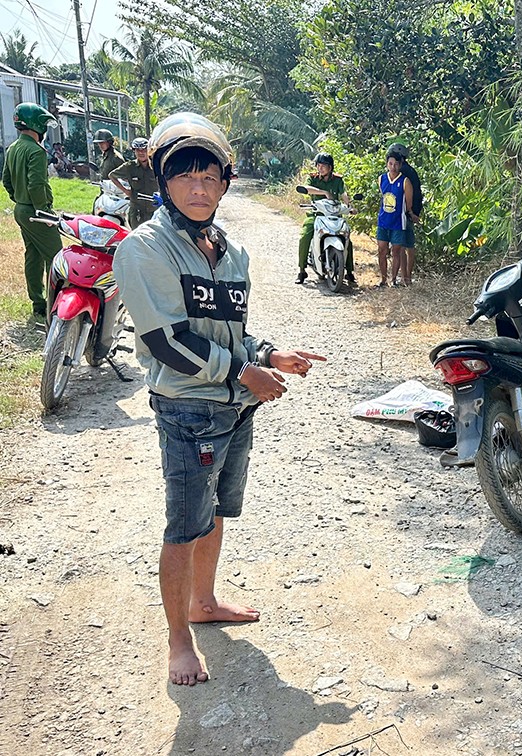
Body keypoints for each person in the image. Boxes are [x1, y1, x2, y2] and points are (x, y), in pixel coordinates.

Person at [112, 112, 326, 686]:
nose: (199, 188)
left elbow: (231, 332)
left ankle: (203, 602)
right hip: (189, 410)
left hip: (234, 408)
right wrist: (245, 374)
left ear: (226, 183)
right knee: (184, 525)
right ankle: (178, 642)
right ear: (164, 181)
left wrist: (270, 353)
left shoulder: (229, 250)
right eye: (186, 176)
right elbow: (168, 343)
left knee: (214, 515)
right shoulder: (144, 249)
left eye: (210, 176)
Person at [2, 103, 63, 319]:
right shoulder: (36, 151)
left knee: (33, 255)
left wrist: (19, 200)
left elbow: (6, 180)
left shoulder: (12, 148)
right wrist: (43, 211)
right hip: (37, 213)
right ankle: (56, 304)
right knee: (57, 258)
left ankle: (38, 302)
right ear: (36, 124)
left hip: (21, 209)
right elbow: (36, 185)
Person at [296, 152, 355, 285]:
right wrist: (324, 192)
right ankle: (302, 270)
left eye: (324, 165)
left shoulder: (338, 180)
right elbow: (307, 188)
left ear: (330, 167)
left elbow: (343, 193)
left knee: (347, 238)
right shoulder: (313, 178)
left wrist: (350, 206)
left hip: (334, 216)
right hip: (316, 215)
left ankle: (349, 271)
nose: (320, 168)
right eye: (318, 165)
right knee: (305, 236)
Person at [376, 144, 413, 287]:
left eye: (396, 164)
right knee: (381, 250)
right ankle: (383, 279)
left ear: (400, 165)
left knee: (396, 251)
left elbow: (408, 203)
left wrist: (410, 214)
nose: (393, 167)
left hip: (398, 222)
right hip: (383, 220)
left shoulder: (405, 181)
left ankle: (393, 280)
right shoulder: (381, 179)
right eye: (390, 164)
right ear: (387, 164)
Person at [109, 137, 157, 228]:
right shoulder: (130, 167)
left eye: (144, 150)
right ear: (134, 151)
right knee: (137, 233)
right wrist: (125, 191)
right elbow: (112, 175)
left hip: (154, 210)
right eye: (138, 150)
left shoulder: (156, 166)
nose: (141, 153)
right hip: (137, 210)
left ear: (148, 151)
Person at [394, 144, 422, 286]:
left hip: (404, 213)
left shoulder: (402, 173)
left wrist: (409, 212)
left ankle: (405, 277)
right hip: (412, 212)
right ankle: (408, 277)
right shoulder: (411, 171)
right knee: (409, 246)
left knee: (402, 246)